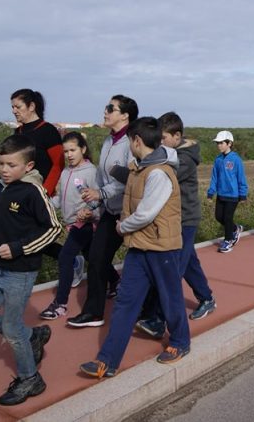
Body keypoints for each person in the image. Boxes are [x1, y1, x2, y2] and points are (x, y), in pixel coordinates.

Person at [79, 117, 190, 378]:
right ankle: (107, 360)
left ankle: (180, 342)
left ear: (137, 141)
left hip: (162, 247)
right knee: (126, 302)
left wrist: (121, 227)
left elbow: (146, 213)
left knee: (170, 298)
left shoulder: (160, 173)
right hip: (140, 247)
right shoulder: (140, 168)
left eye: (130, 141)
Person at [0, 135, 61, 406]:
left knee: (11, 328)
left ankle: (29, 378)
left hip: (20, 273)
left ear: (28, 165)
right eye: (1, 163)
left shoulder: (32, 191)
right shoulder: (0, 188)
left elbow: (54, 229)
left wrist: (19, 249)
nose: (4, 169)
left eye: (11, 164)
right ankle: (32, 335)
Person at [136, 111, 216, 341]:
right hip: (172, 220)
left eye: (163, 138)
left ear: (177, 136)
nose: (159, 143)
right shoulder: (169, 154)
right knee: (188, 262)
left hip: (185, 220)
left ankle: (158, 320)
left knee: (171, 272)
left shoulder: (185, 159)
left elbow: (162, 175)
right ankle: (207, 298)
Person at [68, 95, 138, 328]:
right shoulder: (109, 140)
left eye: (110, 108)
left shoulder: (132, 141)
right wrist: (94, 196)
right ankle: (94, 313)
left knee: (146, 264)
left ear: (125, 115)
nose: (105, 111)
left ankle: (152, 312)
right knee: (96, 258)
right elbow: (103, 175)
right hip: (111, 211)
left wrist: (102, 193)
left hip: (130, 212)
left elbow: (130, 178)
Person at [38, 132, 101, 320]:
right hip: (71, 224)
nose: (69, 155)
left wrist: (90, 212)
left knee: (65, 257)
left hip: (84, 224)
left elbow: (98, 198)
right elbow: (63, 199)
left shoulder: (91, 172)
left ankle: (60, 304)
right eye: (66, 151)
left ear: (83, 149)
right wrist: (46, 204)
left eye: (73, 150)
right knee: (93, 257)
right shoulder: (66, 172)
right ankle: (115, 282)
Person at [11, 89, 64, 197]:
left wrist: (45, 191)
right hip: (19, 193)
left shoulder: (48, 130)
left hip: (41, 193)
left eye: (18, 107)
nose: (14, 111)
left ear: (31, 106)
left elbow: (58, 164)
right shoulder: (17, 132)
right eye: (12, 107)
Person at [207, 130, 248, 253]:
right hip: (221, 194)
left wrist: (243, 194)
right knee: (219, 217)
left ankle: (228, 240)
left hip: (233, 195)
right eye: (217, 143)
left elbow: (241, 177)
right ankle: (235, 229)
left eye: (221, 143)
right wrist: (211, 192)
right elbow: (214, 177)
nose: (219, 145)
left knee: (227, 218)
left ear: (229, 143)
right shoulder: (218, 160)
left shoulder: (236, 160)